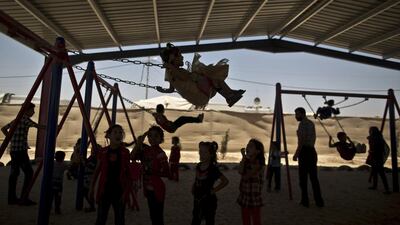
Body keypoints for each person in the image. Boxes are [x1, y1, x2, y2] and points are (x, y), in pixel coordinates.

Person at [158, 43, 245, 108]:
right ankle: (229, 95)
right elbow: (184, 77)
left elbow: (171, 89)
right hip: (198, 95)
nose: (182, 57)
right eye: (180, 55)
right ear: (173, 58)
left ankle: (229, 95)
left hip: (199, 93)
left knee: (213, 78)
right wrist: (170, 66)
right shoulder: (172, 71)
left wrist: (162, 90)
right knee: (213, 77)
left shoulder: (172, 71)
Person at [1, 102, 44, 205]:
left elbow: (3, 129)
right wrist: (51, 127)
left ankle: (11, 198)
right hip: (21, 151)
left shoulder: (17, 119)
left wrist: (11, 138)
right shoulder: (25, 119)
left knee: (14, 174)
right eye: (32, 110)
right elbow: (37, 126)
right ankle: (24, 197)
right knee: (29, 173)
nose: (33, 112)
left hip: (14, 150)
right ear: (27, 110)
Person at [90, 125, 132, 225]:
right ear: (108, 135)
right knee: (101, 218)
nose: (118, 134)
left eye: (120, 132)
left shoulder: (125, 152)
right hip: (105, 191)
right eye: (115, 132)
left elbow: (128, 174)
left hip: (119, 191)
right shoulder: (103, 152)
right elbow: (97, 171)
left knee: (120, 219)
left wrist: (126, 192)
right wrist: (91, 188)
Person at [131, 126, 170, 225]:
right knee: (153, 216)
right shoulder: (145, 150)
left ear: (161, 139)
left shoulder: (161, 154)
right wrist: (140, 142)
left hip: (157, 189)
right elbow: (132, 156)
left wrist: (152, 172)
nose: (152, 138)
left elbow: (167, 172)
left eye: (156, 136)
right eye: (150, 136)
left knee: (158, 217)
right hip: (148, 188)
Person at [293, 107, 324, 208]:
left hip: (305, 152)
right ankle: (319, 201)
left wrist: (296, 154)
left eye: (297, 114)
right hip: (312, 152)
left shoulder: (302, 124)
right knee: (314, 178)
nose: (296, 116)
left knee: (303, 179)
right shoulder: (311, 123)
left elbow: (301, 141)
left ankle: (305, 201)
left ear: (302, 114)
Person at [191, 141, 229, 225]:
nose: (201, 154)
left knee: (209, 221)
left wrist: (214, 190)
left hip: (209, 201)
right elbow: (197, 179)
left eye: (205, 152)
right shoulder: (198, 166)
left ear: (211, 154)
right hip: (197, 199)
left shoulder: (213, 169)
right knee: (196, 219)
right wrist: (194, 186)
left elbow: (225, 181)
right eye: (200, 152)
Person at [237, 139, 265, 225]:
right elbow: (240, 171)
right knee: (245, 219)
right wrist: (243, 158)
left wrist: (245, 159)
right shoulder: (246, 161)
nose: (248, 147)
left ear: (258, 151)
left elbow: (247, 175)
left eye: (251, 146)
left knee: (256, 220)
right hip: (245, 195)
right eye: (248, 145)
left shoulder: (259, 163)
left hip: (254, 197)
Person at [366, 126, 390, 194]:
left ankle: (387, 189)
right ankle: (374, 185)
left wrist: (372, 151)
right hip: (375, 157)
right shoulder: (378, 138)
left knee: (381, 173)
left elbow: (378, 149)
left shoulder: (377, 138)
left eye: (370, 130)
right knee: (375, 172)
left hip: (377, 157)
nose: (369, 132)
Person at [83, 144, 99, 212]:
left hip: (90, 177)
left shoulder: (96, 159)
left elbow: (92, 167)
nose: (92, 151)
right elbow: (87, 163)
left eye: (93, 150)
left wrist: (84, 163)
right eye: (92, 150)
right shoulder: (91, 157)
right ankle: (91, 205)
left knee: (87, 192)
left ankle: (92, 206)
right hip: (87, 177)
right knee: (86, 191)